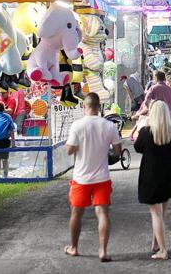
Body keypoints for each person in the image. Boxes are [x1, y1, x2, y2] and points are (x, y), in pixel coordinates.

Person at [65, 93, 123, 262]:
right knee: (102, 213)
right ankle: (103, 251)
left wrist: (74, 146)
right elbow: (118, 151)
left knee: (76, 213)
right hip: (102, 177)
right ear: (99, 107)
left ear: (85, 106)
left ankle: (74, 248)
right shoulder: (109, 125)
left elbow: (69, 150)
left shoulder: (77, 125)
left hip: (81, 178)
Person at [134, 101, 171, 260]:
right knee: (161, 213)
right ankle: (156, 243)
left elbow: (138, 148)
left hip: (151, 176)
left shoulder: (145, 132)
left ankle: (163, 250)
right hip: (169, 175)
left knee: (156, 214)